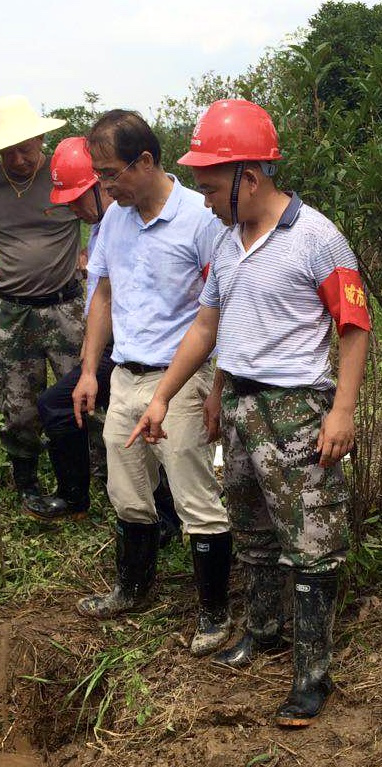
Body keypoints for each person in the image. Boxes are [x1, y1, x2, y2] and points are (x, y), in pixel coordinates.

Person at [128, 99, 370, 726]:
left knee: (310, 540)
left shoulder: (317, 240)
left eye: (210, 186)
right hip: (239, 405)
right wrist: (183, 395)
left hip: (297, 409)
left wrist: (342, 411)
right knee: (255, 528)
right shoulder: (229, 244)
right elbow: (210, 323)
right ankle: (262, 630)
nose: (203, 198)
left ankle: (312, 674)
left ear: (250, 178)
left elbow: (354, 326)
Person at [72, 110, 233, 657]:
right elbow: (104, 296)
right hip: (126, 374)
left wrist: (215, 388)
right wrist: (91, 369)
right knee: (126, 491)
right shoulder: (113, 220)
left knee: (194, 496)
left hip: (182, 377)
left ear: (145, 162)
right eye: (99, 173)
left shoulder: (201, 218)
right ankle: (131, 588)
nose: (104, 184)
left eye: (111, 172)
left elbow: (223, 309)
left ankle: (214, 611)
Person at [36, 137, 181, 545]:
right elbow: (101, 297)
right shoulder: (107, 228)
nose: (75, 210)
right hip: (118, 349)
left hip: (150, 353)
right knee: (67, 408)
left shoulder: (138, 221)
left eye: (79, 199)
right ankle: (85, 497)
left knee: (154, 436)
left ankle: (165, 519)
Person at [0, 95, 83, 518]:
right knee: (19, 404)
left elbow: (106, 215)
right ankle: (27, 484)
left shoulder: (65, 175)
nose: (19, 158)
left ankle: (82, 483)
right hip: (13, 312)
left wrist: (91, 257)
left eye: (26, 148)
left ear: (42, 138)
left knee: (82, 396)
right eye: (9, 151)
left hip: (67, 308)